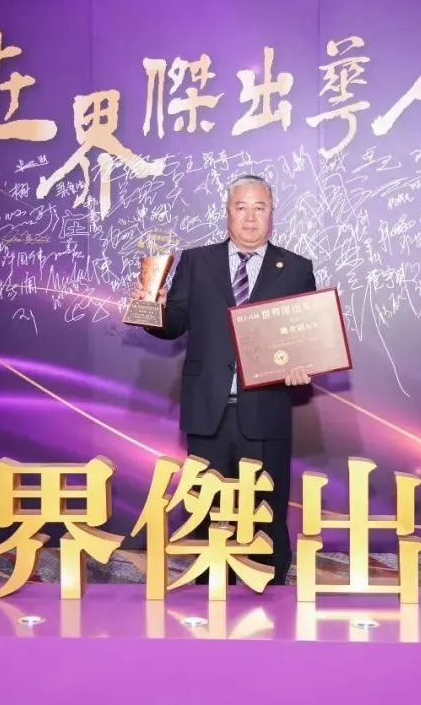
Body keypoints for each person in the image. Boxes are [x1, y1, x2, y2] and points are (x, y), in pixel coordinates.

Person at [130, 174, 316, 585]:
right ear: (227, 212)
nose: (250, 217)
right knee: (207, 511)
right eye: (241, 207)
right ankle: (210, 594)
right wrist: (151, 309)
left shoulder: (296, 268)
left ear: (271, 213)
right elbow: (175, 322)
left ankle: (269, 590)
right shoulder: (197, 262)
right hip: (208, 411)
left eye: (259, 208)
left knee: (265, 511)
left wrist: (303, 366)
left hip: (265, 413)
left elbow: (305, 336)